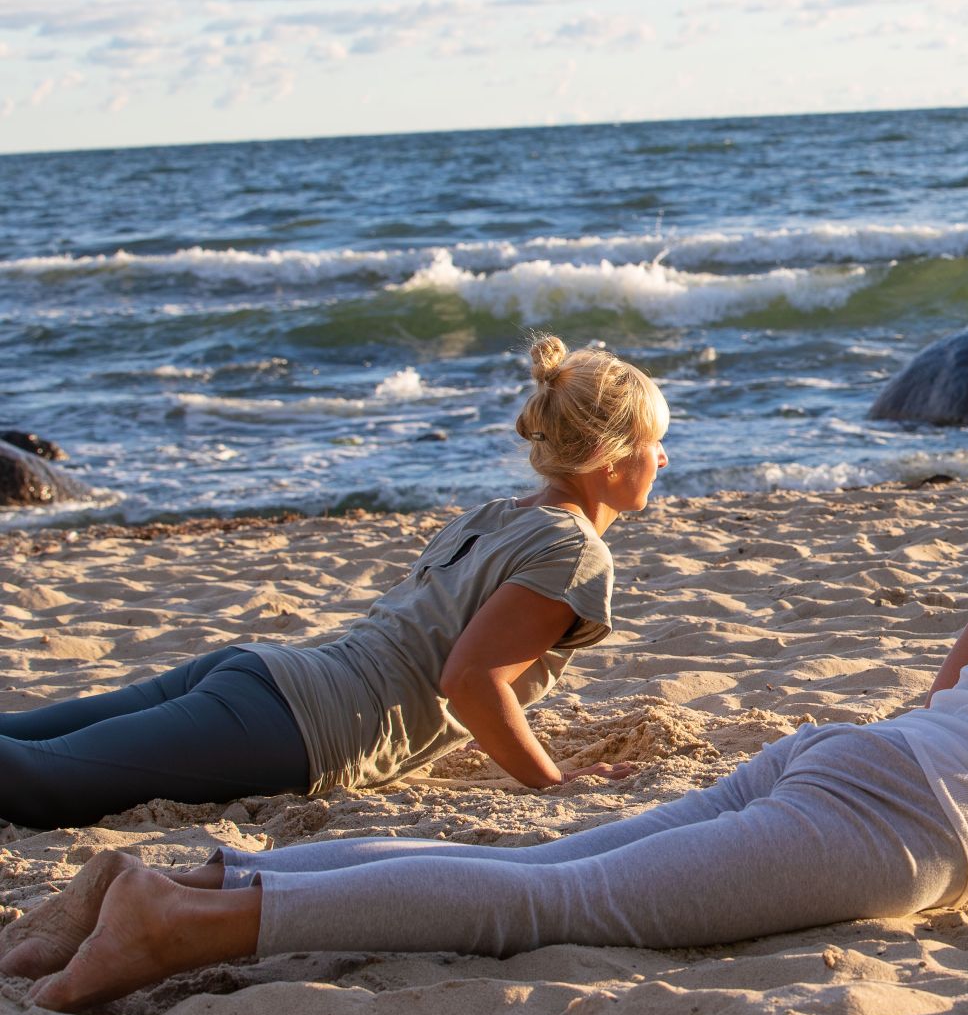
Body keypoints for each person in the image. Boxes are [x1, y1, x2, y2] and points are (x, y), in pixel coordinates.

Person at [5, 304, 968, 1014]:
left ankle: (171, 879)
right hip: (904, 819)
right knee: (551, 903)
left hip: (864, 765)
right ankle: (190, 920)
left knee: (545, 869)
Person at [0, 335, 670, 836]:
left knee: (24, 741)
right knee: (36, 781)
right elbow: (470, 681)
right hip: (296, 724)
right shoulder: (575, 552)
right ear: (608, 457)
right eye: (653, 442)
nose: (663, 458)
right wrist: (552, 782)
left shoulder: (496, 515)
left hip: (266, 675)